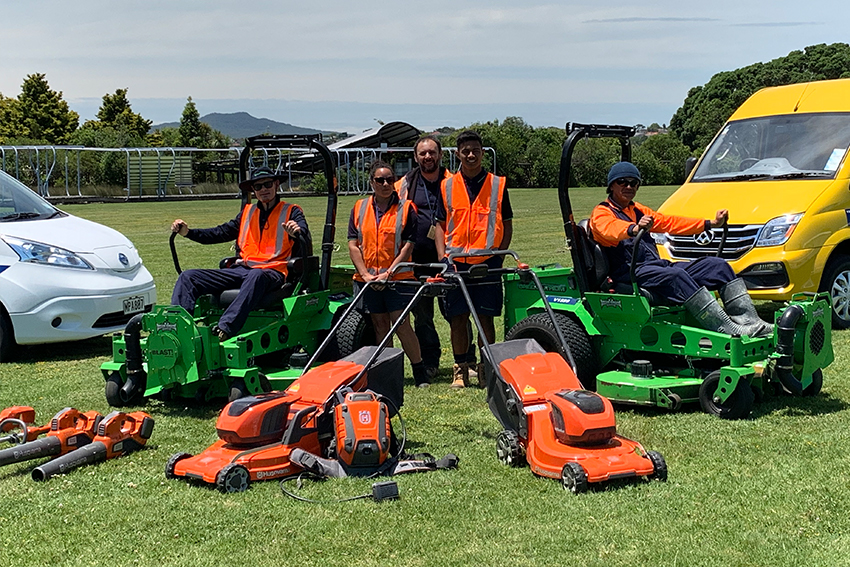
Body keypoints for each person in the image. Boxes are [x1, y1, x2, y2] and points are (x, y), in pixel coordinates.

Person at [589, 161, 772, 337]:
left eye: (633, 183)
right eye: (622, 182)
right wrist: (634, 228)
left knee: (718, 266)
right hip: (628, 272)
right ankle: (727, 328)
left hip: (656, 266)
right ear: (611, 185)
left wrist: (711, 223)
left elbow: (670, 223)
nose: (629, 187)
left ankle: (751, 322)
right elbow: (609, 228)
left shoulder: (638, 210)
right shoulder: (602, 212)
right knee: (677, 277)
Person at [170, 166, 310, 340]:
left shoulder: (291, 211)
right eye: (258, 187)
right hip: (242, 270)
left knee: (256, 275)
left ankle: (225, 329)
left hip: (273, 272)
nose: (263, 190)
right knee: (188, 277)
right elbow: (219, 233)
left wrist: (297, 231)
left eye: (267, 184)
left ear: (275, 184)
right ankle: (177, 331)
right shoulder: (247, 213)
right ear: (253, 190)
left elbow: (303, 232)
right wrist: (188, 232)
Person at [435, 130, 513, 388]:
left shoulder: (498, 184)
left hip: (487, 261)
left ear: (482, 153)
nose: (470, 155)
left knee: (485, 318)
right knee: (457, 318)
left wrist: (498, 255)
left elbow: (507, 224)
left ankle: (486, 368)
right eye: (465, 150)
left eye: (475, 150)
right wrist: (443, 258)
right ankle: (460, 369)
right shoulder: (446, 185)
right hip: (455, 262)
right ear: (458, 153)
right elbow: (440, 225)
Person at [349, 161, 429, 388]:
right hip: (368, 280)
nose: (385, 184)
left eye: (389, 179)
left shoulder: (407, 208)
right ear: (371, 182)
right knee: (380, 325)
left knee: (401, 324)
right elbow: (353, 245)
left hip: (398, 278)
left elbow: (408, 246)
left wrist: (389, 272)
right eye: (380, 180)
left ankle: (419, 372)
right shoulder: (359, 207)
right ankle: (388, 373)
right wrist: (365, 275)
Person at [395, 135, 453, 384]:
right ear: (416, 156)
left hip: (449, 258)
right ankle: (430, 362)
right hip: (415, 260)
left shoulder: (453, 182)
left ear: (440, 155)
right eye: (422, 153)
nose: (427, 157)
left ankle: (466, 361)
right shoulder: (404, 184)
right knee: (423, 316)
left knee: (455, 313)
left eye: (432, 152)